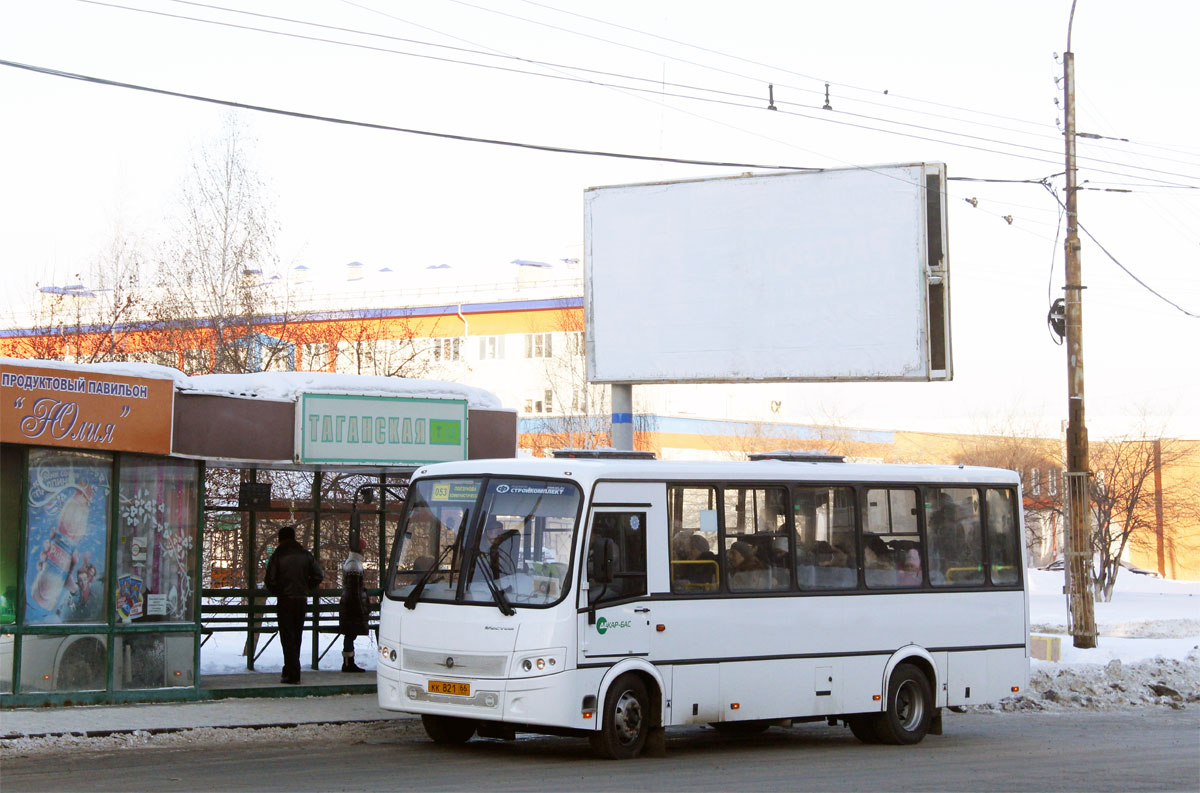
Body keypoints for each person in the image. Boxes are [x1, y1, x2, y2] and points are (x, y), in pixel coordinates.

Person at [265, 525, 324, 685]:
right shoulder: (306, 555)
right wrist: (306, 587)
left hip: (285, 601)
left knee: (287, 636)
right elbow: (319, 575)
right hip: (301, 600)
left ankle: (292, 672)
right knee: (297, 635)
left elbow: (269, 580)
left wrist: (279, 591)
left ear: (280, 539)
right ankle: (292, 670)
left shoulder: (278, 556)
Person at [338, 536, 370, 673]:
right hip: (353, 606)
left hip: (348, 604)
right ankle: (348, 663)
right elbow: (355, 590)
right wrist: (361, 609)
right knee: (350, 634)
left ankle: (348, 662)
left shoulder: (350, 562)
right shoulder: (355, 565)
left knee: (349, 633)